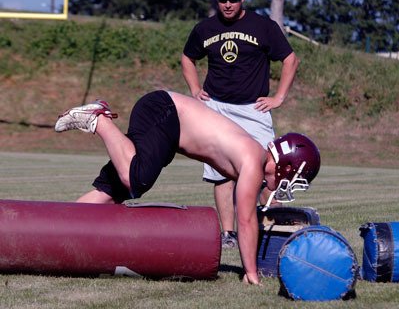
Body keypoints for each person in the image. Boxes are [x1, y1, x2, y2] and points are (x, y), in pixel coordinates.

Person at [54, 90, 320, 285]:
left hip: (167, 123)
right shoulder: (253, 160)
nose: (290, 187)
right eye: (297, 178)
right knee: (136, 179)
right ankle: (99, 119)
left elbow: (259, 212)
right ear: (287, 166)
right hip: (165, 111)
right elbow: (247, 219)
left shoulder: (256, 162)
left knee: (112, 193)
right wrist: (250, 271)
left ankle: (55, 233)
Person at [181, 0, 299, 248]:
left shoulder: (263, 26)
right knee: (221, 173)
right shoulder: (204, 28)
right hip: (217, 110)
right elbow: (188, 57)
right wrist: (195, 88)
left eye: (233, 0)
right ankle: (228, 235)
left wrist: (279, 97)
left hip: (253, 110)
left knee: (270, 171)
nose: (228, 5)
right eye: (222, 0)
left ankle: (275, 229)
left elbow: (290, 59)